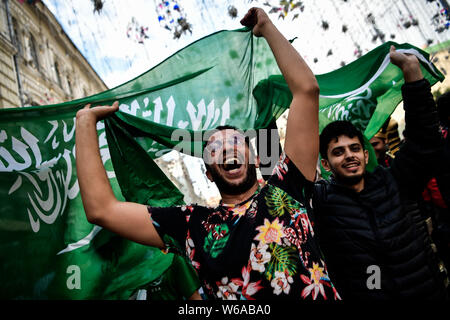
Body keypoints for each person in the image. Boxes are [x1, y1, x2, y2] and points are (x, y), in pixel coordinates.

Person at [75, 8, 340, 300]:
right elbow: (102, 210)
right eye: (214, 148)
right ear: (209, 172)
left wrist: (266, 27)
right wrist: (85, 124)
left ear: (254, 157)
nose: (226, 148)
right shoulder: (189, 225)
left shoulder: (288, 188)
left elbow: (306, 91)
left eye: (236, 142)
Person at [313, 46, 448, 300]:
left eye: (355, 148)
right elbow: (280, 182)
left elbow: (425, 141)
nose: (349, 155)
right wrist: (264, 119)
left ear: (366, 155)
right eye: (338, 151)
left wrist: (411, 71)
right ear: (326, 164)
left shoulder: (395, 181)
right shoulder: (323, 204)